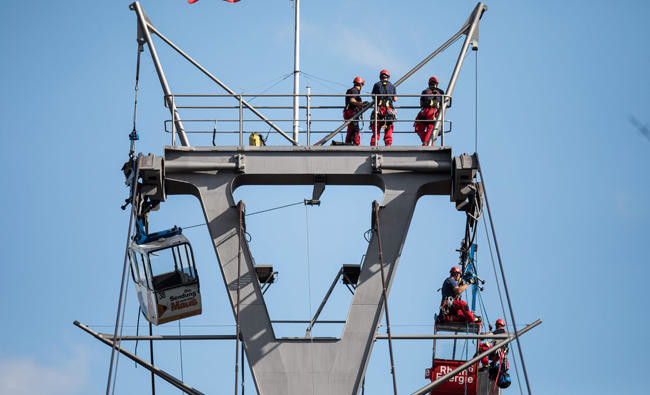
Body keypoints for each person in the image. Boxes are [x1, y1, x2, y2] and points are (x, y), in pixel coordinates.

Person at [414, 76, 445, 145]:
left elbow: (421, 104)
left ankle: (426, 143)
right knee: (431, 127)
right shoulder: (441, 92)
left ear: (429, 83)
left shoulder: (425, 91)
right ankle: (428, 143)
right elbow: (443, 105)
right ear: (436, 84)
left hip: (425, 112)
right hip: (434, 113)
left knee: (418, 128)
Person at [370, 69, 397, 146]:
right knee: (388, 126)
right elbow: (395, 99)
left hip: (379, 109)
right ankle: (388, 144)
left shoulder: (377, 85)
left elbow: (373, 96)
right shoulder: (392, 86)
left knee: (376, 127)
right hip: (389, 110)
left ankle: (374, 143)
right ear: (388, 77)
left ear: (380, 77)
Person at [343, 77, 365, 145]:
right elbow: (352, 100)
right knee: (355, 129)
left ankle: (348, 142)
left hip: (348, 112)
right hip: (352, 112)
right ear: (361, 85)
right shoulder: (355, 90)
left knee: (350, 129)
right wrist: (361, 104)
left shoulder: (350, 90)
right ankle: (356, 143)